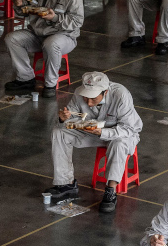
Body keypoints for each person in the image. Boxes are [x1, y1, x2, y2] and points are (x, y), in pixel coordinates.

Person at [47, 71, 143, 212]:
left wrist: (103, 132)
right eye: (86, 98)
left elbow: (129, 128)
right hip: (92, 131)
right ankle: (66, 184)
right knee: (59, 132)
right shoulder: (79, 93)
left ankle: (110, 190)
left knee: (119, 143)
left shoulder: (121, 95)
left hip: (120, 134)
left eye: (93, 98)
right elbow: (70, 119)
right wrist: (63, 118)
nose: (89, 103)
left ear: (105, 91)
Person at [3, 0, 84, 98]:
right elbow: (25, 12)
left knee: (51, 44)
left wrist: (55, 18)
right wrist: (19, 5)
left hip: (64, 36)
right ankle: (26, 78)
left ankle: (50, 84)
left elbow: (77, 21)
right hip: (38, 34)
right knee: (11, 38)